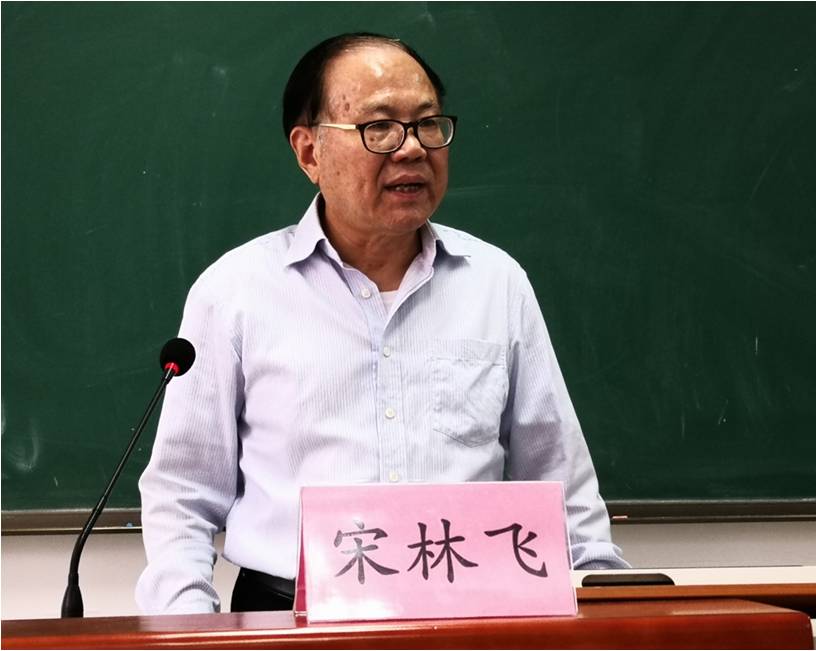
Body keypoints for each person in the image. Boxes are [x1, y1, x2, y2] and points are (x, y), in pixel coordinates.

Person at [136, 32, 628, 615]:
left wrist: (607, 612)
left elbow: (559, 484)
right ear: (309, 152)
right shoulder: (235, 291)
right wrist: (188, 626)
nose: (412, 149)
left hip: (472, 615)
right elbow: (183, 494)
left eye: (428, 124)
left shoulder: (496, 283)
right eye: (380, 128)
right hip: (286, 618)